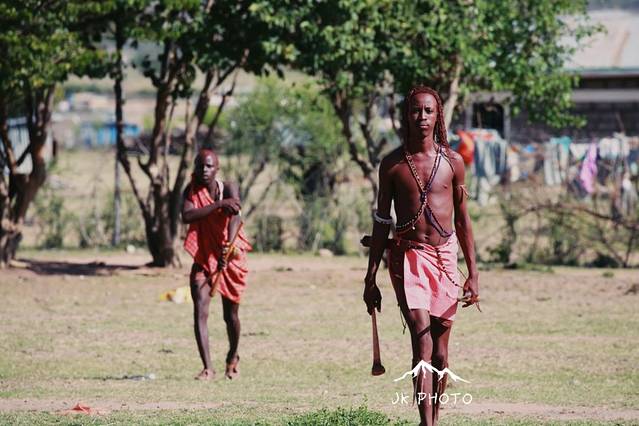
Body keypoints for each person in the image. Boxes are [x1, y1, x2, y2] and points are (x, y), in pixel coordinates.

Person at [363, 86, 480, 425]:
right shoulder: (392, 165)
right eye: (416, 110)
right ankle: (425, 422)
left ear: (438, 115)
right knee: (422, 343)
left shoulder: (453, 162)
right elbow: (382, 221)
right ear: (407, 115)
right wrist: (371, 277)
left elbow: (463, 220)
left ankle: (434, 417)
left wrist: (473, 274)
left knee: (440, 355)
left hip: (445, 259)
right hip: (408, 258)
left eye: (429, 111)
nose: (422, 117)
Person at [182, 148, 251, 380]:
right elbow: (187, 216)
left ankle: (232, 358)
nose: (204, 170)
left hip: (229, 255)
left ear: (217, 169)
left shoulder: (229, 188)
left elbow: (236, 216)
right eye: (200, 165)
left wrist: (227, 247)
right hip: (204, 256)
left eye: (209, 166)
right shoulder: (191, 191)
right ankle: (208, 368)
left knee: (230, 316)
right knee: (200, 311)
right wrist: (219, 205)